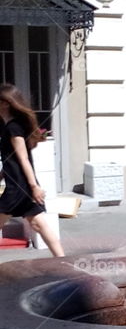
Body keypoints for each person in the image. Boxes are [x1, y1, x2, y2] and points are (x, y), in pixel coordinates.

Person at [0, 83, 65, 257]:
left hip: (17, 189)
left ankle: (65, 263)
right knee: (39, 224)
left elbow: (23, 159)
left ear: (5, 103)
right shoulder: (9, 127)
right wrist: (3, 174)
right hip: (22, 187)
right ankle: (64, 262)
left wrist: (34, 186)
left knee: (38, 224)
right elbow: (13, 160)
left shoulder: (13, 128)